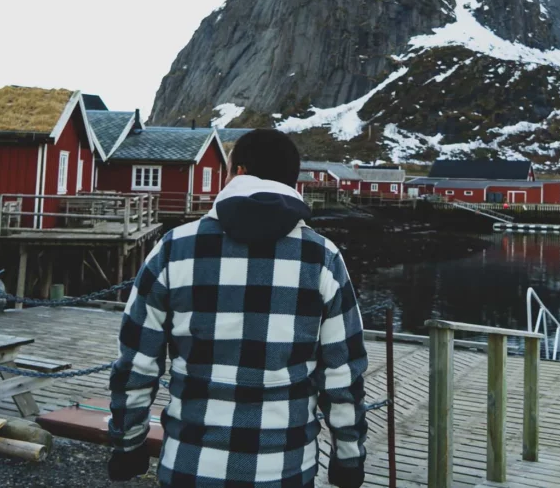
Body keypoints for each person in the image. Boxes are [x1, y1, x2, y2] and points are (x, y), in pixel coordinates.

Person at [108, 129, 368, 487]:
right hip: (286, 468)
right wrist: (349, 458)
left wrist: (128, 444)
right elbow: (342, 375)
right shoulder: (323, 257)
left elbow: (136, 363)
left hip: (190, 464)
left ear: (239, 173)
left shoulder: (175, 248)